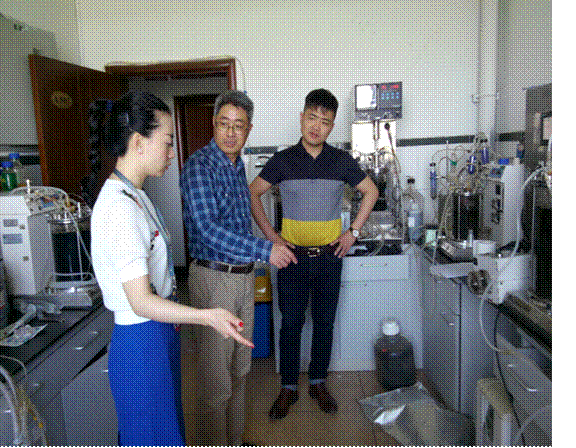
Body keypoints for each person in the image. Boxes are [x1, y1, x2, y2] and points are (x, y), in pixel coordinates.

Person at [90, 91, 254, 447]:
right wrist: (206, 316)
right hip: (140, 340)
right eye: (166, 143)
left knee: (169, 429)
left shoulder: (136, 195)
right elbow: (140, 302)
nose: (171, 153)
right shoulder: (119, 209)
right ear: (138, 142)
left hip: (158, 331)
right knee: (152, 435)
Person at [250, 88, 379, 420]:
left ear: (332, 126)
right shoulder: (283, 160)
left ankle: (318, 382)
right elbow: (252, 193)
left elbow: (371, 191)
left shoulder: (341, 161)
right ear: (302, 118)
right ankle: (288, 387)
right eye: (312, 118)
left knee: (324, 323)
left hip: (329, 258)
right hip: (291, 258)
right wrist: (272, 237)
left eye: (325, 121)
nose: (317, 126)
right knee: (291, 324)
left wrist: (353, 232)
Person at [179, 90, 297, 446]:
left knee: (240, 370)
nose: (231, 133)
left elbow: (239, 226)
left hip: (244, 277)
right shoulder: (199, 166)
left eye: (239, 126)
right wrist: (266, 249)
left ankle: (234, 441)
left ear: (248, 130)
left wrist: (265, 248)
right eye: (224, 124)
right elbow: (207, 230)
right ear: (213, 124)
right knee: (216, 381)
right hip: (214, 280)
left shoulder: (236, 166)